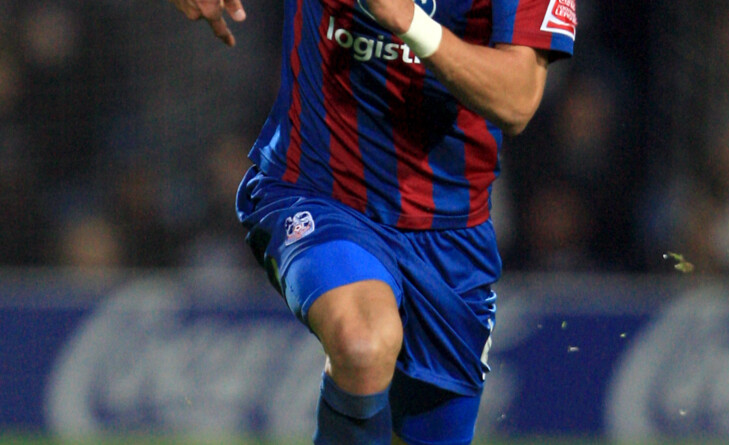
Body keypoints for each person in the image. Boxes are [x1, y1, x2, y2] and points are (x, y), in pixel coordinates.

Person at [168, 0, 575, 443]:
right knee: (362, 342)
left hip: (451, 233)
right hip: (319, 189)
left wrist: (409, 20)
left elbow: (517, 99)